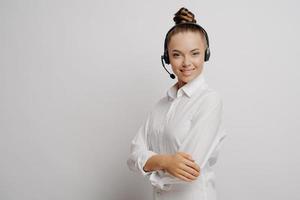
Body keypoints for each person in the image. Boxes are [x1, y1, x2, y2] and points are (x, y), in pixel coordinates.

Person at [127, 7, 228, 200]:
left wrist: (150, 163)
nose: (186, 62)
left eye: (194, 53)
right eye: (177, 55)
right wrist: (165, 161)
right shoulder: (160, 105)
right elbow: (133, 157)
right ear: (167, 58)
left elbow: (188, 171)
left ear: (206, 55)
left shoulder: (210, 101)